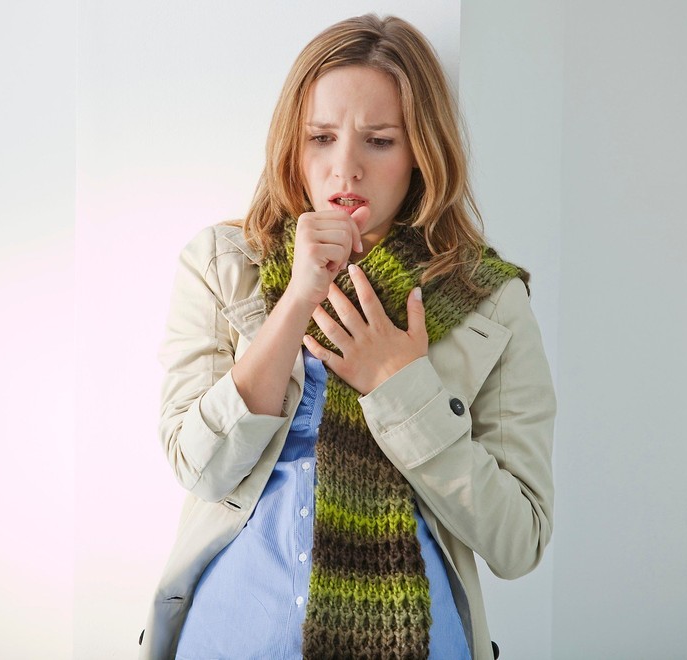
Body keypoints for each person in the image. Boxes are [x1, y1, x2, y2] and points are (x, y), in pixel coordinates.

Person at [138, 14, 555, 660]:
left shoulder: (491, 303)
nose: (345, 169)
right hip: (230, 637)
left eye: (380, 141)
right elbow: (201, 467)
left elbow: (518, 540)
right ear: (290, 145)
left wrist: (402, 388)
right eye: (322, 138)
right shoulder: (222, 266)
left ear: (422, 151)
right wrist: (295, 303)